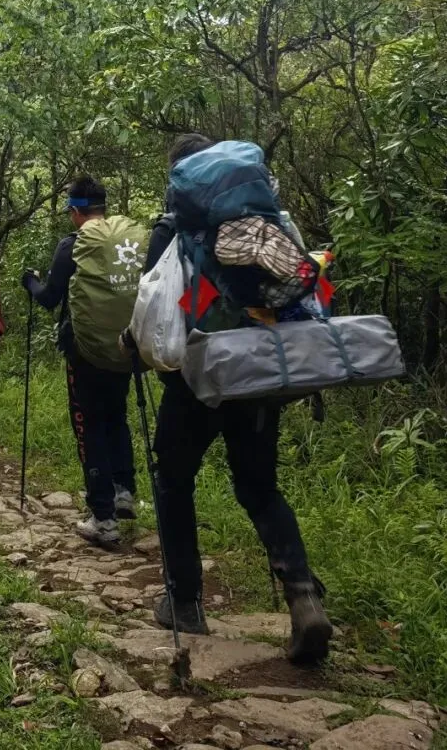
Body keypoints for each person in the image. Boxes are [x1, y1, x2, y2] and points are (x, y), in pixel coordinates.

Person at [146, 133, 333, 665]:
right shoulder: (273, 223)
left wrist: (131, 345)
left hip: (197, 380)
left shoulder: (174, 232)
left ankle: (184, 602)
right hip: (260, 374)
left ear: (179, 179)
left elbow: (155, 310)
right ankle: (303, 595)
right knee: (258, 487)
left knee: (172, 480)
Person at [21, 176, 144, 549]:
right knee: (116, 417)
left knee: (89, 425)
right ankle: (123, 491)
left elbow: (49, 298)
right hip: (123, 347)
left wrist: (30, 282)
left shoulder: (71, 246)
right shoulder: (125, 241)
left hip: (84, 352)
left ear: (75, 212)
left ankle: (102, 519)